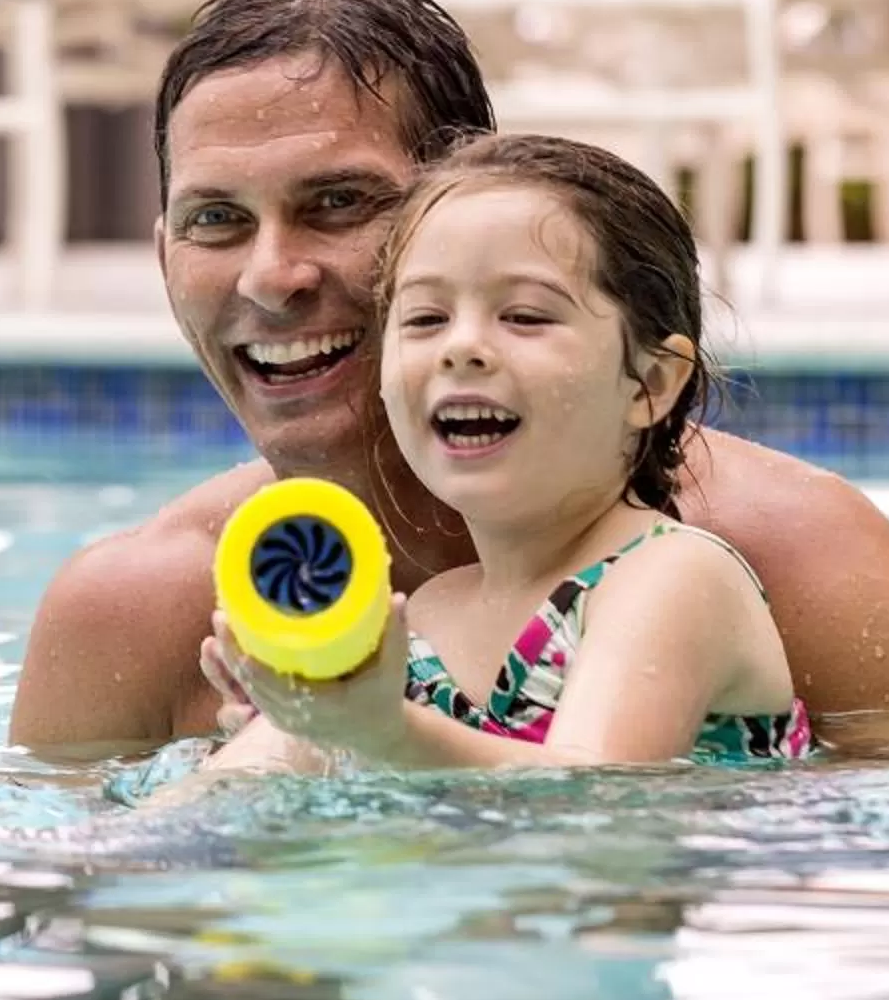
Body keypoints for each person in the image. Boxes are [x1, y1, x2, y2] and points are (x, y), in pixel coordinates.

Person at [10, 0, 889, 759]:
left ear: (470, 206)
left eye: (340, 202)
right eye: (216, 220)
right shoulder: (136, 611)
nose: (272, 276)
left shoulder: (783, 550)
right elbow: (59, 916)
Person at [201, 133, 810, 775]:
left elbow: (600, 799)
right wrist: (300, 727)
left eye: (523, 316)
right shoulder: (429, 612)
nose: (461, 348)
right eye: (425, 320)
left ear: (651, 383)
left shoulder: (673, 577)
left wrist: (380, 732)